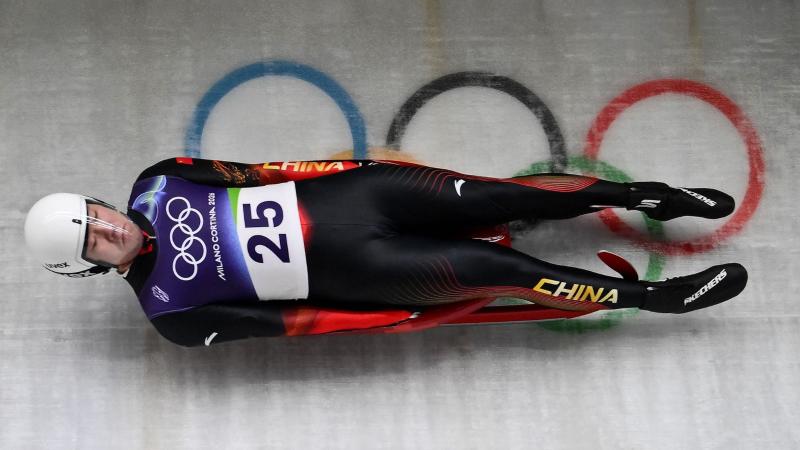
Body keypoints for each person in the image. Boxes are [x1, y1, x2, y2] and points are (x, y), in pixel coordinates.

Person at [24, 157, 748, 346]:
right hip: (368, 273)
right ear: (87, 265)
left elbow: (262, 172)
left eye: (94, 214)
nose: (106, 228)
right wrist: (390, 317)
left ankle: (648, 195)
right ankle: (653, 298)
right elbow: (292, 324)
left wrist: (350, 171)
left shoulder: (159, 181)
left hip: (363, 198)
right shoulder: (171, 313)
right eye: (91, 239)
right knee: (502, 271)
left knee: (497, 195)